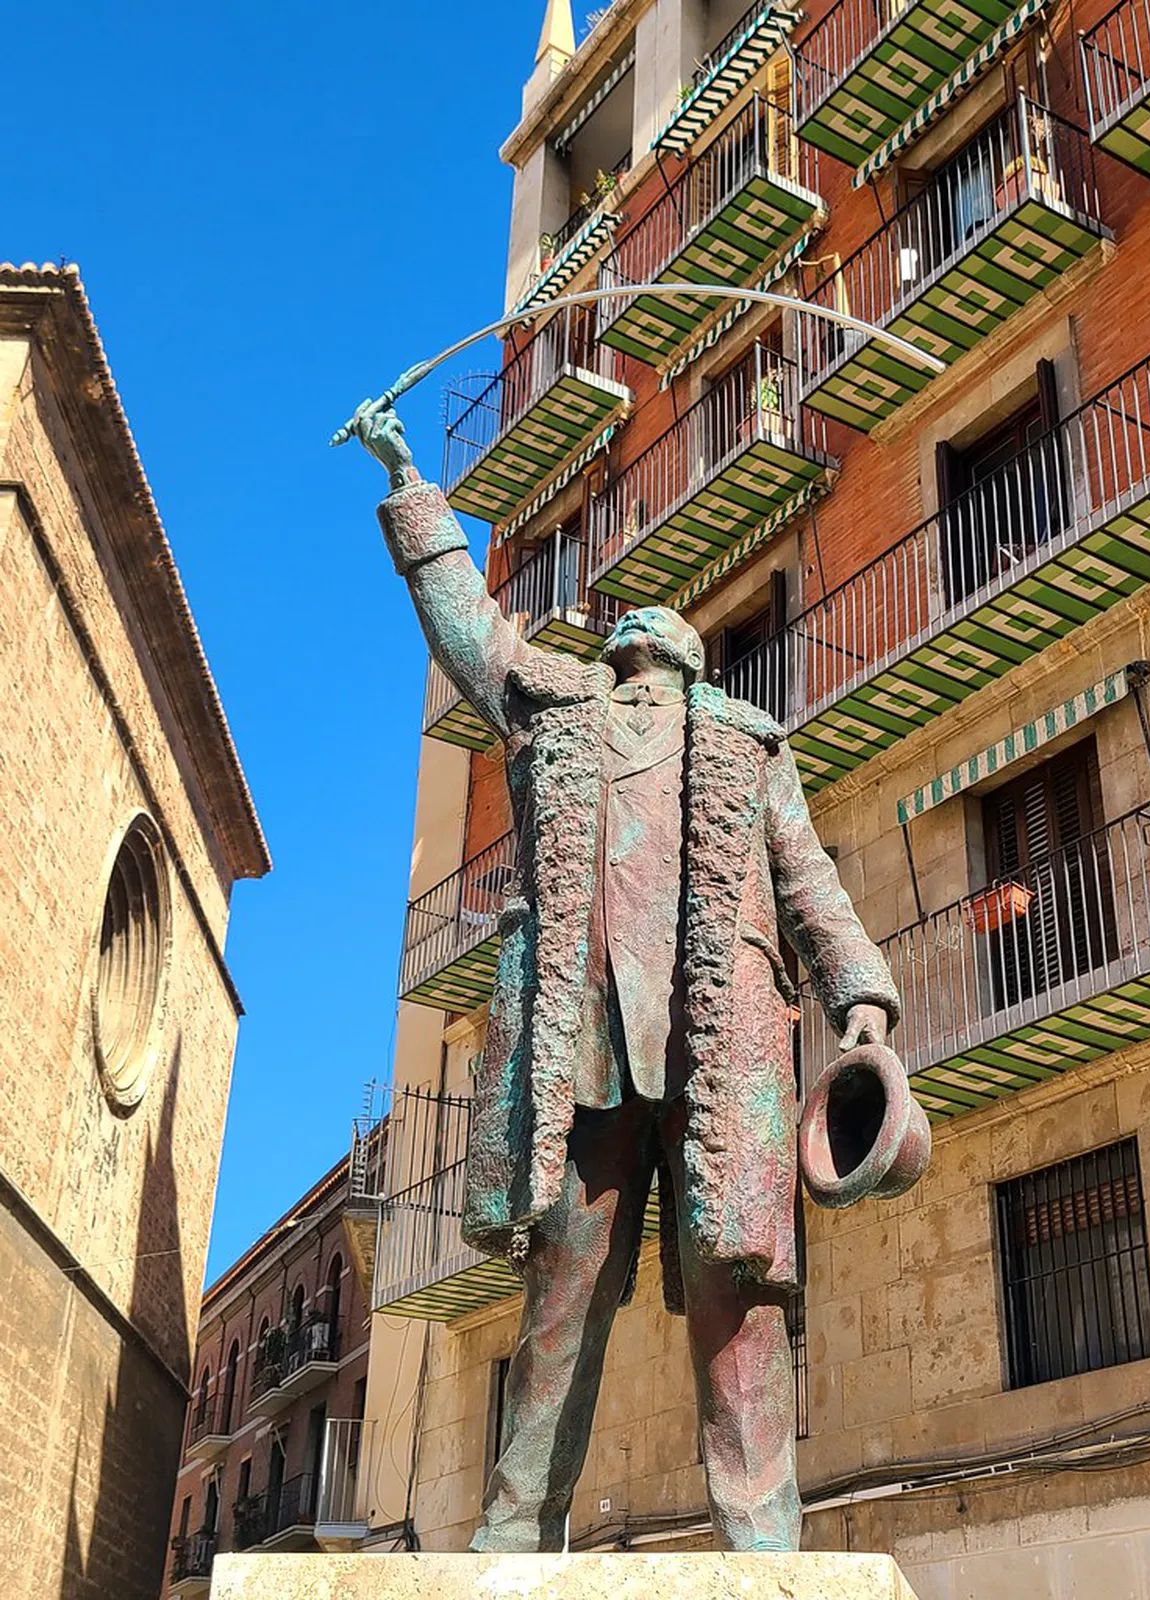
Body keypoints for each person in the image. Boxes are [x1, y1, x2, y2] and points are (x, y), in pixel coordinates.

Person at [352, 399, 900, 1552]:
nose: (650, 628)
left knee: (736, 1306)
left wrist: (858, 987)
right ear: (615, 655)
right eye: (635, 626)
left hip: (720, 1059)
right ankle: (512, 1534)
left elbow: (809, 881)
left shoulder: (748, 744)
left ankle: (763, 1543)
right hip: (585, 1063)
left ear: (692, 659)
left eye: (665, 628)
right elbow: (466, 625)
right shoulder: (553, 710)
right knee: (558, 1306)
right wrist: (411, 479)